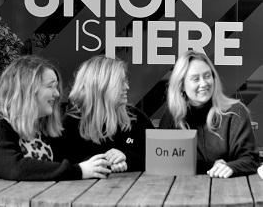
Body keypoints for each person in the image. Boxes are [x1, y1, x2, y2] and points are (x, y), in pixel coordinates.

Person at [0, 55, 111, 207]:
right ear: (27, 89)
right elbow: (14, 168)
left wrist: (111, 158)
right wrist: (78, 171)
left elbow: (69, 157)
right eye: (50, 86)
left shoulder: (39, 123)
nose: (57, 94)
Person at [159, 50, 260, 178]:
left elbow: (251, 159)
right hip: (181, 191)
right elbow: (165, 163)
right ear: (182, 85)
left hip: (230, 189)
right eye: (195, 79)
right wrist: (209, 166)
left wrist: (231, 167)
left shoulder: (235, 112)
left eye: (207, 76)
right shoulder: (171, 117)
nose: (204, 83)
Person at [59, 55, 154, 173]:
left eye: (126, 81)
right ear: (101, 86)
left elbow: (156, 157)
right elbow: (60, 167)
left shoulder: (136, 118)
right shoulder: (70, 123)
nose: (127, 87)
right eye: (120, 82)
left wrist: (127, 158)